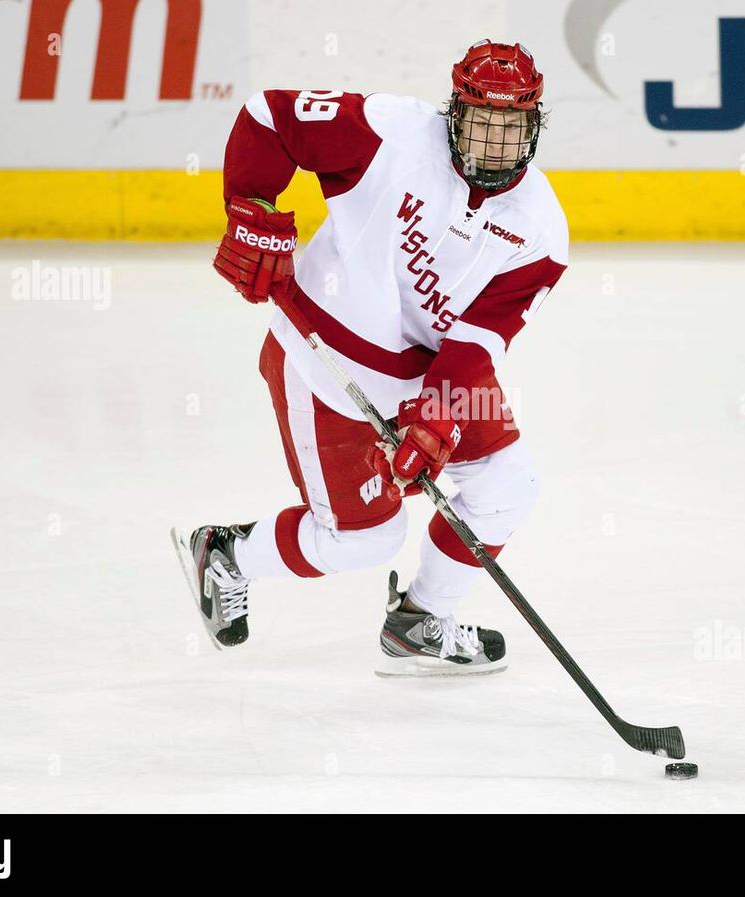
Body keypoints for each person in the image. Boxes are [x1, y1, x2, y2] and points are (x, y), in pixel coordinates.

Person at [173, 39, 569, 676]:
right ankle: (227, 554)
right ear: (454, 114)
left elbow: (474, 347)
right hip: (320, 360)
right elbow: (268, 117)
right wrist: (255, 206)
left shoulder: (541, 230)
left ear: (534, 128)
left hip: (432, 375)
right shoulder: (388, 130)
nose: (492, 144)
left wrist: (437, 420)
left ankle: (421, 622)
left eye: (510, 128)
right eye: (480, 123)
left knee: (507, 484)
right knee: (363, 541)